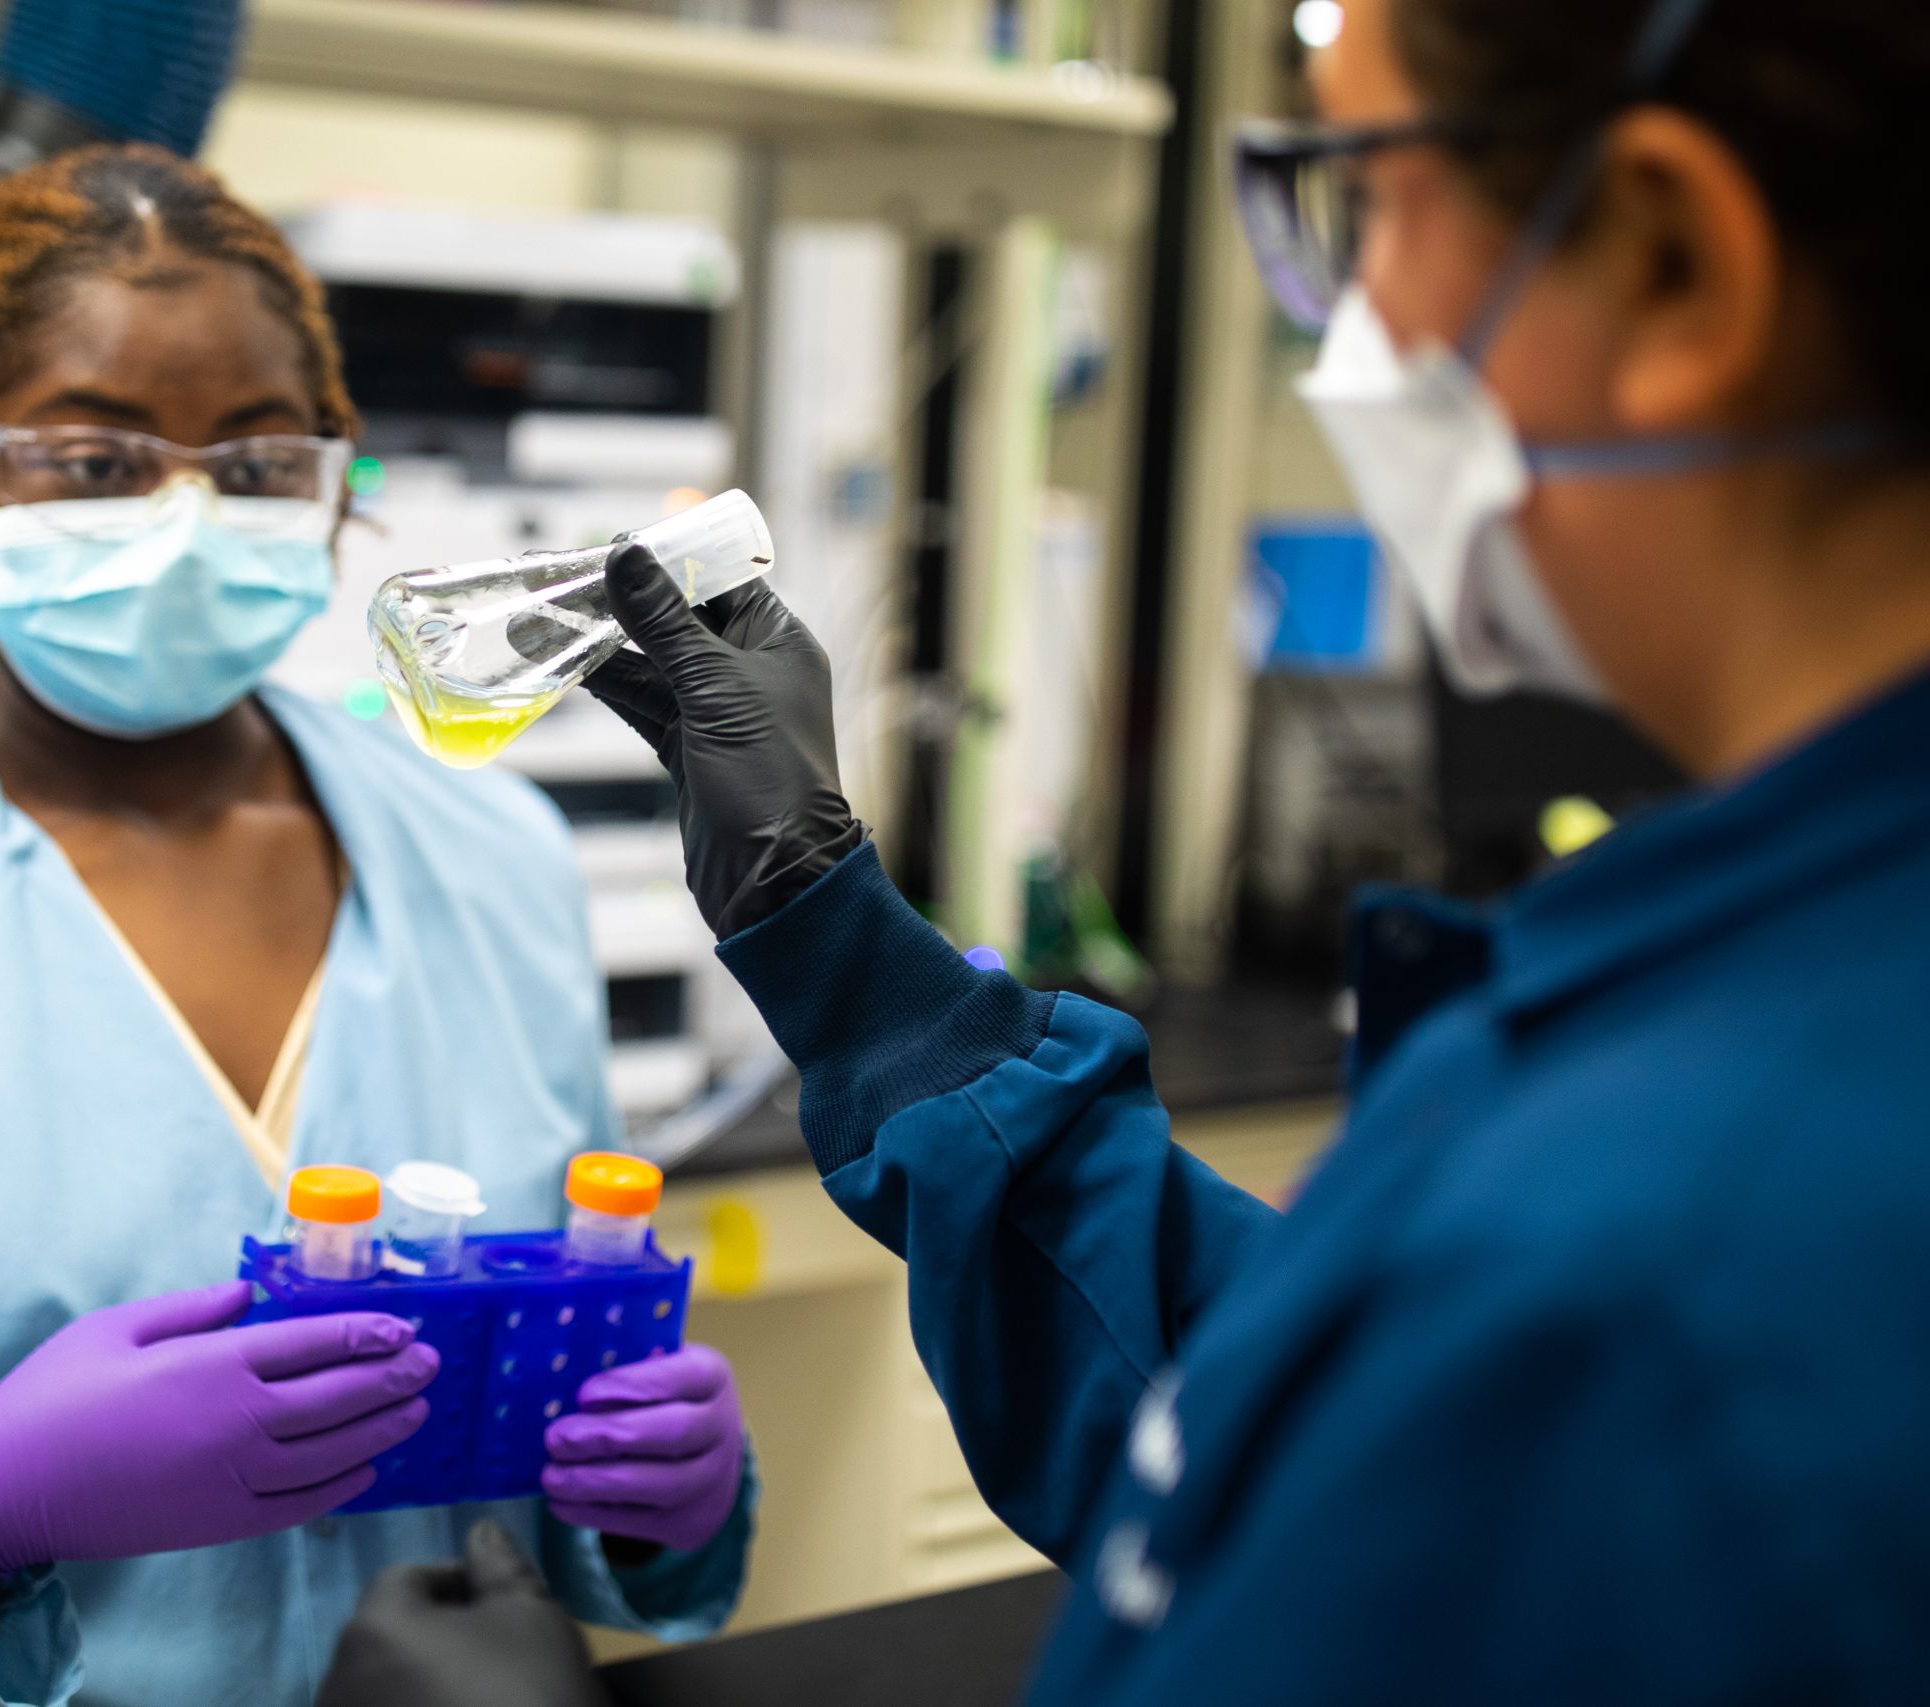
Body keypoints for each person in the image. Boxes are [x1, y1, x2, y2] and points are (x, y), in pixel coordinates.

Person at [313, 0, 1930, 1699]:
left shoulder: (1711, 1205)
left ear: (1675, 261)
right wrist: (826, 927)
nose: (1346, 320)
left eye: (1362, 196)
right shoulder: (1748, 995)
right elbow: (1282, 1405)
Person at [0, 145, 752, 1707]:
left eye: (256, 463)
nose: (185, 516)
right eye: (97, 460)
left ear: (331, 485)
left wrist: (650, 1501)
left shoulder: (494, 863)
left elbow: (551, 1391)